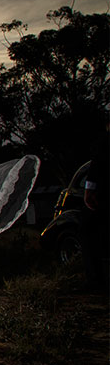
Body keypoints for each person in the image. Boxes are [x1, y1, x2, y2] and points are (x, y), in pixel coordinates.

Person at [82, 122, 109, 291]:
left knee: (89, 233)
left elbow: (97, 163)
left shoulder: (105, 142)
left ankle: (95, 280)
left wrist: (89, 191)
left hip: (103, 196)